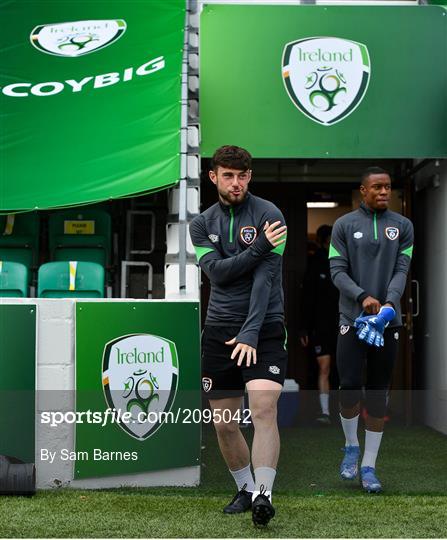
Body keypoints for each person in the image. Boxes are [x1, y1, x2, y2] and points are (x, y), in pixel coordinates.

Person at [189, 145, 287, 526]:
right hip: (218, 330)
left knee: (263, 410)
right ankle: (245, 488)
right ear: (213, 176)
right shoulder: (201, 224)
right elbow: (217, 274)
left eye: (242, 176)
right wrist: (258, 246)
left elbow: (266, 280)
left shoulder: (270, 214)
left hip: (263, 329)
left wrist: (250, 332)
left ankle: (264, 494)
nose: (236, 183)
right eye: (228, 175)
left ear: (250, 176)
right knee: (225, 423)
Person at [329, 167, 413, 493]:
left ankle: (369, 467)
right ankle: (351, 445)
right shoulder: (344, 225)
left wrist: (389, 304)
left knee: (378, 392)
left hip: (387, 321)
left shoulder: (403, 226)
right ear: (362, 190)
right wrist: (362, 297)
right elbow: (337, 271)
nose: (383, 192)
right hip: (352, 318)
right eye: (376, 187)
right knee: (349, 384)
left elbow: (401, 269)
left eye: (387, 187)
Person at [300, 225, 339, 424]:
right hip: (321, 326)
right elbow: (307, 298)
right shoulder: (316, 263)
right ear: (325, 239)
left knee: (346, 368)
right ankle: (325, 412)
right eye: (332, 237)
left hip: (342, 324)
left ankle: (349, 412)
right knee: (325, 367)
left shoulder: (344, 261)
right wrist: (304, 327)